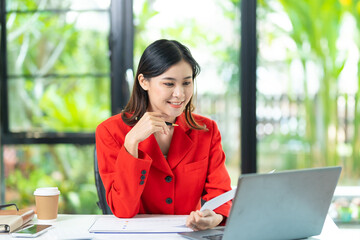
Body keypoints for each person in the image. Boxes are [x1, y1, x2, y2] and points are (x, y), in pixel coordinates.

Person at [95, 39, 232, 231]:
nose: (180, 94)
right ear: (144, 82)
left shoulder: (206, 130)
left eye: (187, 82)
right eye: (169, 84)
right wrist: (132, 142)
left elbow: (220, 195)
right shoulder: (110, 131)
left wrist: (215, 217)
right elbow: (122, 209)